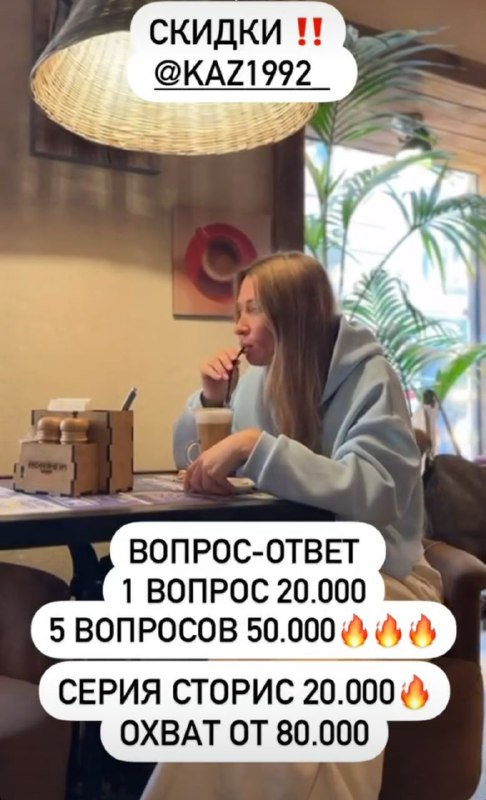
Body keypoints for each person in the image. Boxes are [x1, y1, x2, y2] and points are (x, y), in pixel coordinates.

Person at [143, 251, 442, 800]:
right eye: (237, 311)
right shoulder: (256, 381)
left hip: (386, 578)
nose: (238, 326)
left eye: (253, 309)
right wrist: (210, 402)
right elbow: (195, 461)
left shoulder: (370, 377)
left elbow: (376, 492)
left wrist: (257, 447)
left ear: (294, 312)